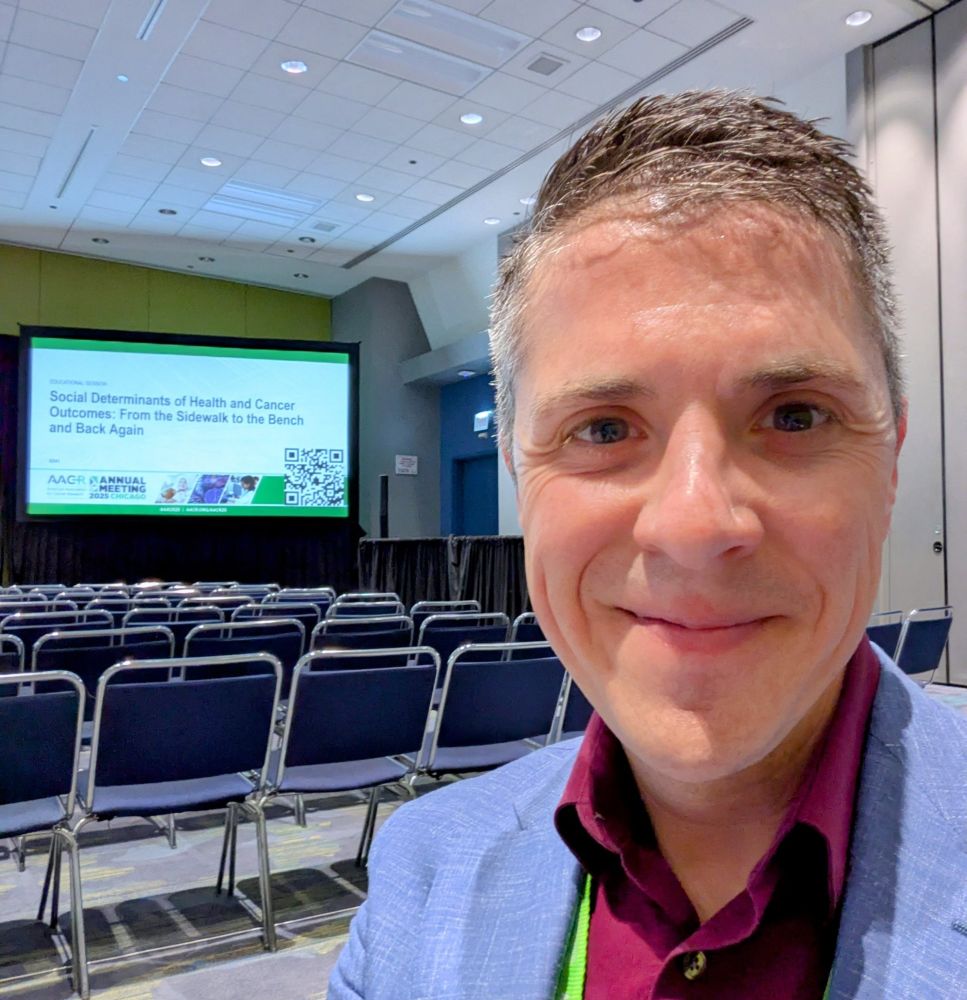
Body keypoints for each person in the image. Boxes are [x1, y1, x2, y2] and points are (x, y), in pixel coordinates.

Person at [329, 91, 967, 999]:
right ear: (519, 474)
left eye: (792, 415)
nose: (695, 526)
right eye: (601, 430)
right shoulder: (423, 872)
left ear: (889, 459)